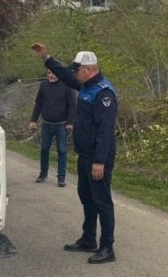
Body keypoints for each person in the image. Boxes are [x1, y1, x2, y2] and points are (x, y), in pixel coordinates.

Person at [30, 43, 118, 264]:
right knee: (86, 197)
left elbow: (105, 131)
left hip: (98, 157)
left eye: (77, 70)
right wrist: (46, 58)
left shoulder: (103, 93)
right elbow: (63, 74)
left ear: (88, 69)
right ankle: (89, 238)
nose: (74, 75)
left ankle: (107, 247)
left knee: (102, 200)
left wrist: (99, 161)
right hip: (85, 154)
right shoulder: (86, 86)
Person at [29, 69, 76, 186]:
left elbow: (72, 105)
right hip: (47, 124)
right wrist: (33, 120)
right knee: (44, 149)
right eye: (48, 73)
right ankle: (43, 174)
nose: (51, 75)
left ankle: (61, 178)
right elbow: (38, 103)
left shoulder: (67, 85)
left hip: (62, 124)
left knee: (62, 150)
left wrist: (70, 122)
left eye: (54, 73)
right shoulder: (44, 85)